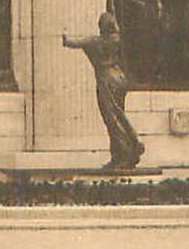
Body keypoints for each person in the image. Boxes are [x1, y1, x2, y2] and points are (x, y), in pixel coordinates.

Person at [62, 14, 145, 170]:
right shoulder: (117, 40)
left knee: (112, 119)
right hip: (119, 78)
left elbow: (71, 43)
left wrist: (62, 33)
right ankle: (127, 149)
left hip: (106, 79)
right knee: (119, 115)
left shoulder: (97, 41)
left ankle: (125, 153)